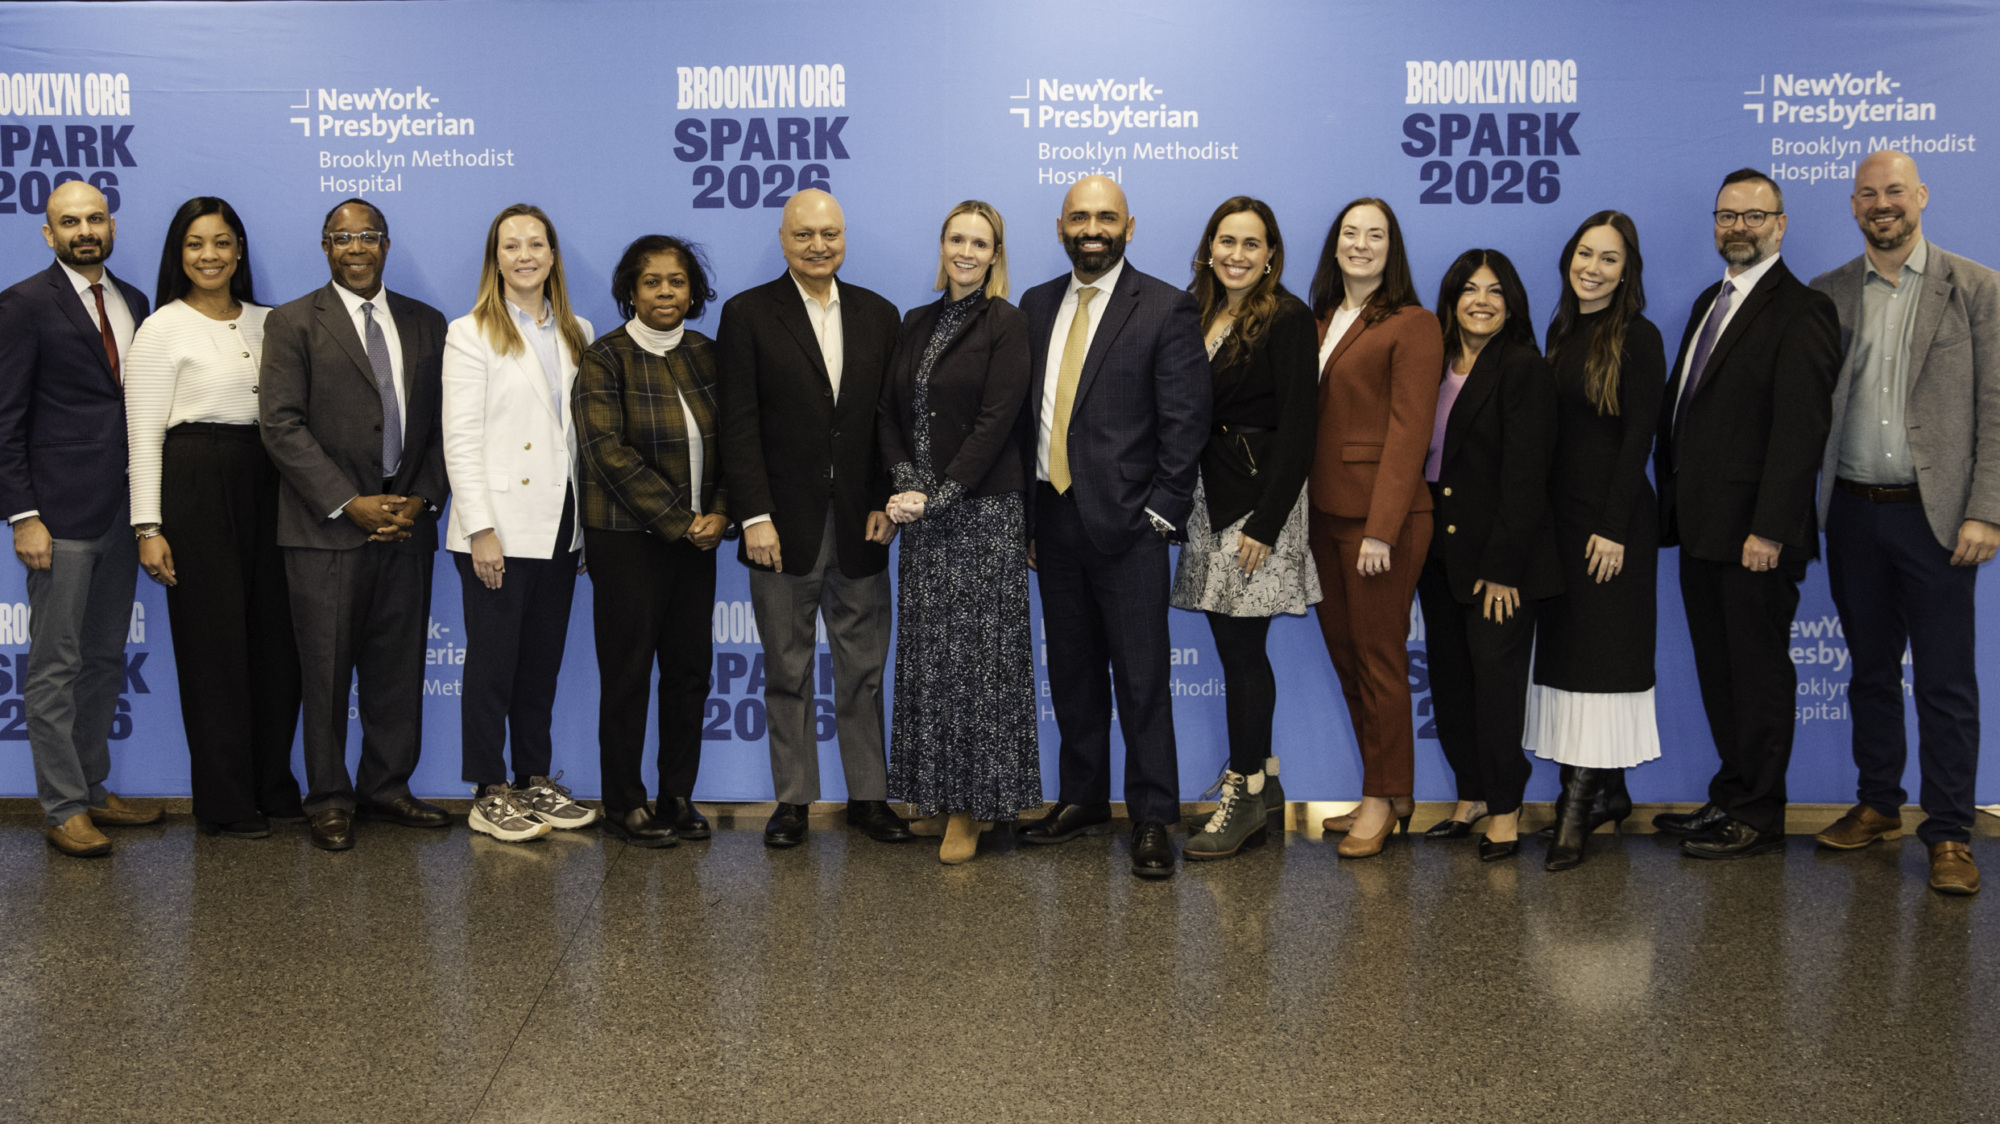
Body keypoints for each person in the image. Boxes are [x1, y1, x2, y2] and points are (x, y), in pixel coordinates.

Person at [1809, 150, 2000, 896]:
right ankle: (1878, 803)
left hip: (1940, 520)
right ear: (1853, 207)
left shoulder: (1976, 289)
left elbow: (1996, 407)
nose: (1881, 204)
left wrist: (1986, 509)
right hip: (1853, 513)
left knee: (1947, 681)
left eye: (1894, 191)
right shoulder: (1828, 294)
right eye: (1867, 194)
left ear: (1920, 196)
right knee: (1870, 673)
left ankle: (1950, 830)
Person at [1012, 175, 1210, 879]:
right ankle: (1084, 798)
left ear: (1130, 225)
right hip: (1053, 523)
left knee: (1142, 680)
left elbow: (1186, 423)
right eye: (1079, 217)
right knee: (1072, 675)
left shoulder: (1165, 307)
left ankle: (1155, 816)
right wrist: (1026, 520)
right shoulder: (1035, 305)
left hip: (1130, 529)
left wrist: (1160, 515)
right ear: (1061, 226)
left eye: (1106, 217)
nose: (1091, 228)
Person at [1651, 169, 1841, 859]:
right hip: (1704, 528)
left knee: (1757, 675)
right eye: (1727, 215)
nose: (1738, 227)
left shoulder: (1803, 309)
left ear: (1781, 225)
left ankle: (1758, 814)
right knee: (1722, 672)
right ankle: (1731, 795)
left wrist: (1770, 526)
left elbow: (1800, 432)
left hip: (1755, 536)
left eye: (1753, 216)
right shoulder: (1713, 298)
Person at [717, 190, 910, 848]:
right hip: (779, 530)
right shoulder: (746, 315)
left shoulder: (881, 316)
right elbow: (737, 426)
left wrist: (889, 501)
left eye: (830, 232)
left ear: (844, 236)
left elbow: (892, 423)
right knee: (787, 671)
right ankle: (793, 802)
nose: (819, 245)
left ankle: (869, 799)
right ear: (782, 239)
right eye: (805, 234)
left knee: (863, 670)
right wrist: (754, 516)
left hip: (862, 527)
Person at [260, 198, 451, 853]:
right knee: (326, 670)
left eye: (367, 235)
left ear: (387, 244)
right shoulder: (291, 323)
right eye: (342, 238)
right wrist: (349, 501)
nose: (356, 247)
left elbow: (445, 428)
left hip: (408, 526)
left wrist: (421, 499)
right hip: (326, 531)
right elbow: (280, 426)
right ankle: (329, 798)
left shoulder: (428, 323)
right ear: (325, 247)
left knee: (397, 669)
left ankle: (388, 787)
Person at [125, 196, 302, 840]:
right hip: (197, 482)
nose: (210, 255)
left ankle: (274, 786)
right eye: (196, 244)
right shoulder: (162, 327)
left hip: (273, 481)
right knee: (214, 648)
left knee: (277, 646)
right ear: (180, 254)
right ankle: (225, 802)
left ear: (239, 251)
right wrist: (149, 527)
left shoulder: (273, 321)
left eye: (222, 242)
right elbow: (141, 434)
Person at [0, 180, 161, 857]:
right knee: (55, 665)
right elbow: (5, 420)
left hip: (124, 514)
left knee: (101, 659)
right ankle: (63, 807)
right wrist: (23, 515)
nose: (84, 231)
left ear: (112, 227)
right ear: (48, 233)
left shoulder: (135, 303)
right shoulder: (22, 306)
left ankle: (93, 789)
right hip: (57, 517)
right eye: (69, 222)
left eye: (94, 219)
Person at [879, 200, 1039, 864]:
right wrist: (902, 479)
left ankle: (976, 810)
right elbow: (887, 411)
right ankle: (938, 797)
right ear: (942, 245)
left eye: (981, 242)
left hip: (984, 516)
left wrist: (940, 494)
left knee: (979, 667)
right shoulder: (915, 321)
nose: (967, 251)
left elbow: (998, 419)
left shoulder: (1007, 322)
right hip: (922, 518)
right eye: (957, 238)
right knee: (930, 667)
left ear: (995, 254)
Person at [441, 204, 601, 845]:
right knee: (492, 666)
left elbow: (576, 440)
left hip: (560, 525)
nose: (525, 254)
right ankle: (488, 790)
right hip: (499, 528)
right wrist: (480, 528)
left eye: (537, 243)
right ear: (496, 258)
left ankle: (534, 778)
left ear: (554, 255)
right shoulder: (471, 331)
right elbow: (460, 438)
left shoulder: (578, 328)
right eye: (512, 245)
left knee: (541, 665)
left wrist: (585, 527)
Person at [1169, 196, 1320, 861]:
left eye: (1250, 244)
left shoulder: (1287, 319)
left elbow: (1300, 427)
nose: (1236, 254)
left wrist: (1266, 520)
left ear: (1271, 256)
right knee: (1234, 650)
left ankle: (1246, 789)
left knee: (1243, 651)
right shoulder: (1194, 313)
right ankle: (1259, 790)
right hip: (1207, 499)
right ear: (1208, 249)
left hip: (1259, 507)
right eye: (1225, 241)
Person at [574, 235, 731, 848]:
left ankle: (677, 796)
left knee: (690, 673)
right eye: (652, 282)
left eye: (677, 281)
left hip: (699, 540)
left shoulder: (708, 354)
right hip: (628, 541)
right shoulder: (605, 358)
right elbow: (606, 452)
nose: (666, 291)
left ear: (693, 292)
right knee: (629, 673)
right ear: (630, 292)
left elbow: (734, 444)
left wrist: (718, 513)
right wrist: (680, 518)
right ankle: (623, 802)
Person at [1527, 211, 1666, 872]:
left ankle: (1574, 813)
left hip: (1612, 529)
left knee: (1603, 666)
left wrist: (1612, 529)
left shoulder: (1640, 337)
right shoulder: (1560, 332)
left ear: (1627, 269)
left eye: (1609, 258)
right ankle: (1608, 791)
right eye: (1586, 253)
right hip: (1559, 527)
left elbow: (1639, 439)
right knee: (1570, 662)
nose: (1593, 268)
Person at [1306, 198, 1442, 858]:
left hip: (1380, 524)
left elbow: (1410, 431)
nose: (1361, 244)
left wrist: (1382, 530)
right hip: (1324, 518)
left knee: (1380, 660)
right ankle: (1387, 786)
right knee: (1348, 659)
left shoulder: (1413, 324)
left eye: (1376, 235)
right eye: (1351, 233)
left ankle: (1383, 799)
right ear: (1335, 246)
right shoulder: (1321, 320)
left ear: (1393, 248)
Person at [1413, 249, 1559, 862]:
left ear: (1512, 303)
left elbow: (1527, 478)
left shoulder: (1523, 368)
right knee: (1451, 681)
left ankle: (1505, 807)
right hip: (1437, 553)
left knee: (1496, 685)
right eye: (1469, 289)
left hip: (1500, 564)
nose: (1482, 300)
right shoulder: (1432, 365)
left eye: (1496, 291)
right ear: (1450, 300)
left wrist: (1503, 569)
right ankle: (1470, 794)